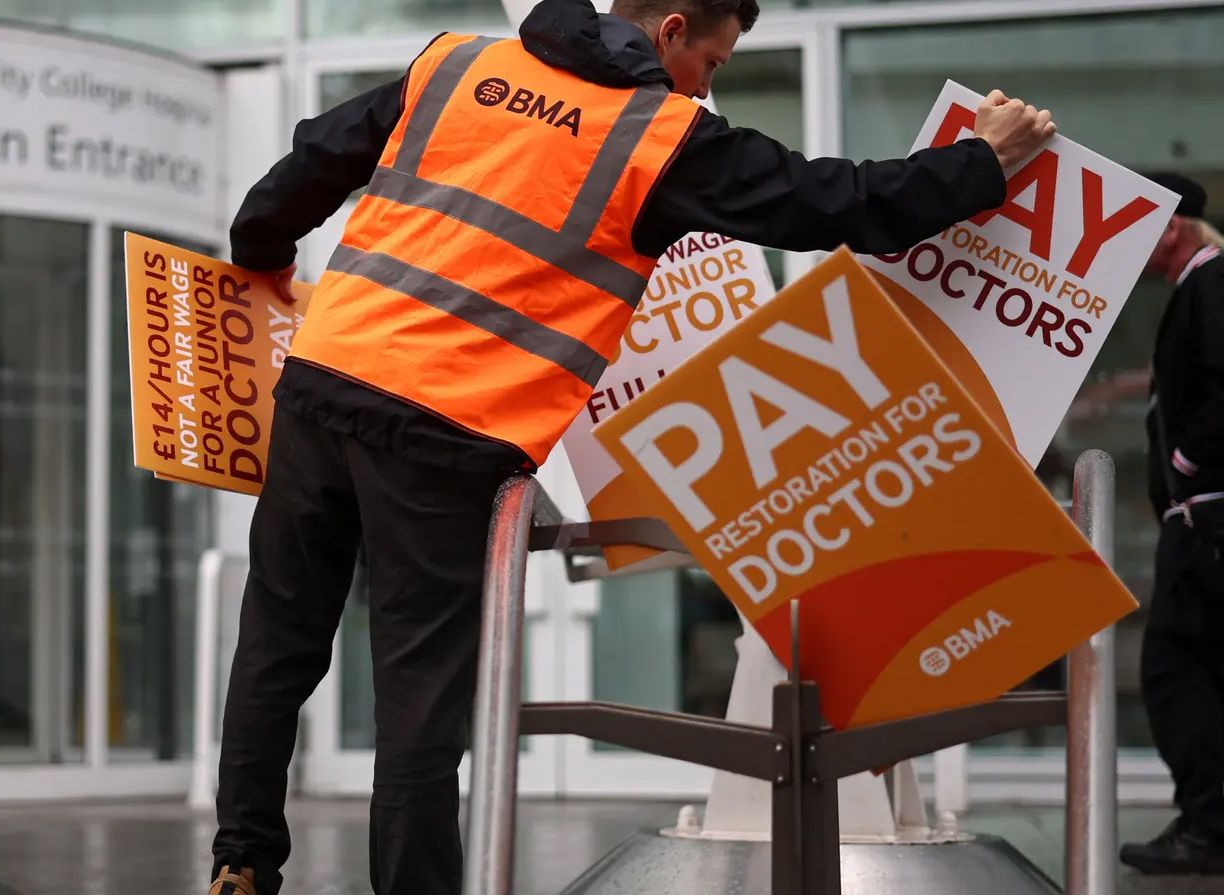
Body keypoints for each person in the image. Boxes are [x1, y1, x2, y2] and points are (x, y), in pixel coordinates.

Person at [205, 0, 1057, 892]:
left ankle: (243, 862)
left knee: (277, 641)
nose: (709, 84)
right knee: (419, 702)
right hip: (449, 430)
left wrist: (260, 251)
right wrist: (980, 164)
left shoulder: (454, 66)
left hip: (321, 386)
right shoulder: (661, 137)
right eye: (715, 62)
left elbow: (310, 160)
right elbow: (837, 199)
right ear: (670, 31)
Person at [1124, 172, 1224, 876]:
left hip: (1209, 516)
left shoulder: (1209, 283)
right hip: (1204, 511)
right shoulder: (1203, 285)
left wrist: (1186, 466)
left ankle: (1209, 823)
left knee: (1173, 665)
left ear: (1171, 227)